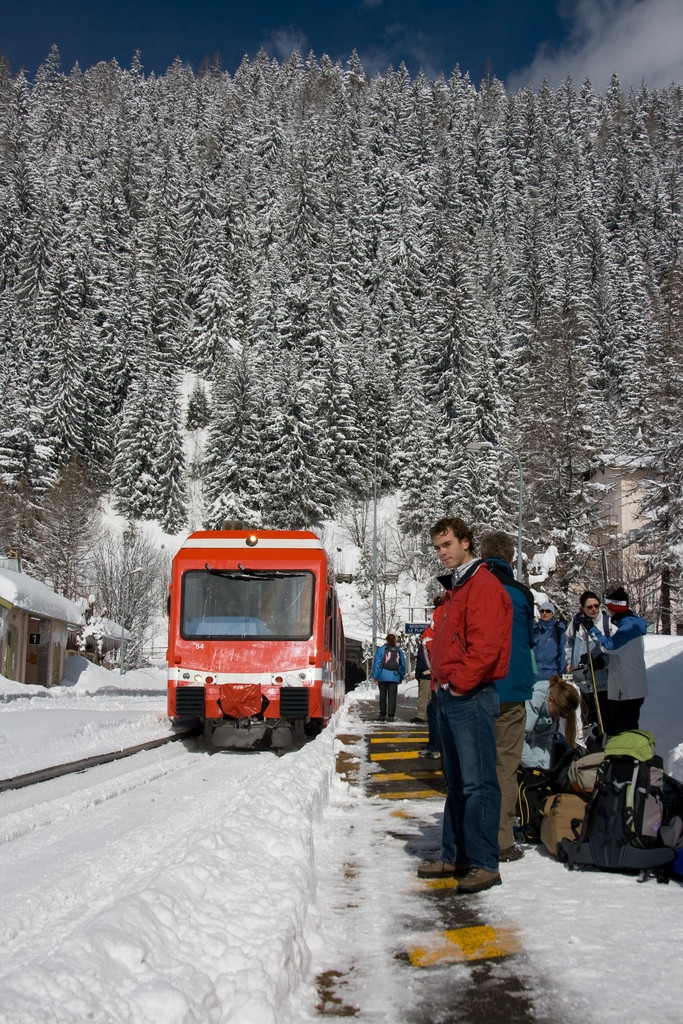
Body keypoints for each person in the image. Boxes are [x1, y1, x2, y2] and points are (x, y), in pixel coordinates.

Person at [417, 516, 512, 895]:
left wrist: (458, 684)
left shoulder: (482, 585)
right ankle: (455, 855)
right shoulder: (459, 585)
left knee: (478, 784)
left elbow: (485, 648)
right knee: (457, 785)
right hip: (451, 695)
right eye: (437, 547)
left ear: (467, 542)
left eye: (448, 545)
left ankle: (484, 862)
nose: (442, 553)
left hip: (469, 697)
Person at [480, 530, 536, 863]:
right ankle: (501, 840)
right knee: (505, 765)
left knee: (473, 765)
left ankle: (471, 835)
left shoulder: (471, 587)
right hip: (512, 691)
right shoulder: (522, 594)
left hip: (475, 689)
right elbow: (528, 640)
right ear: (511, 559)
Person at [578, 586, 648, 735]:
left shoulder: (629, 626)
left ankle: (629, 756)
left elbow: (610, 647)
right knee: (615, 728)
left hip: (629, 688)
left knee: (625, 730)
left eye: (609, 608)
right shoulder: (627, 623)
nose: (607, 611)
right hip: (624, 687)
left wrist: (591, 629)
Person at [565, 590, 610, 731]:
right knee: (585, 722)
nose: (594, 609)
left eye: (596, 606)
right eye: (589, 607)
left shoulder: (606, 623)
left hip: (603, 683)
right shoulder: (577, 622)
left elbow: (613, 648)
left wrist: (602, 662)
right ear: (582, 608)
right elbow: (569, 642)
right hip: (582, 681)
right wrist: (569, 661)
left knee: (603, 722)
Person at [522, 674, 582, 768]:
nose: (558, 717)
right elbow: (518, 740)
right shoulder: (534, 700)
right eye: (559, 713)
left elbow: (544, 740)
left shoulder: (554, 702)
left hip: (535, 740)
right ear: (550, 700)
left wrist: (545, 768)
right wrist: (536, 767)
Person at [370, 633, 406, 722]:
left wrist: (375, 676)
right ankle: (391, 715)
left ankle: (382, 714)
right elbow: (403, 665)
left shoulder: (381, 650)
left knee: (382, 696)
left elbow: (377, 664)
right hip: (394, 676)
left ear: (386, 640)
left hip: (382, 676)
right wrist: (401, 676)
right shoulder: (399, 651)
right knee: (392, 696)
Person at [533, 601, 566, 679]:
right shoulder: (535, 630)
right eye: (542, 611)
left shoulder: (559, 630)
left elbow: (564, 652)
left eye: (548, 611)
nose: (545, 613)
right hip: (535, 673)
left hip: (553, 673)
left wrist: (562, 672)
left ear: (552, 613)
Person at [412, 638, 430, 724]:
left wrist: (418, 674)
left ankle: (420, 715)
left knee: (423, 696)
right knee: (432, 697)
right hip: (436, 674)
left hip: (425, 674)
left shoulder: (423, 646)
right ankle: (433, 715)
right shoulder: (439, 642)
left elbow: (421, 661)